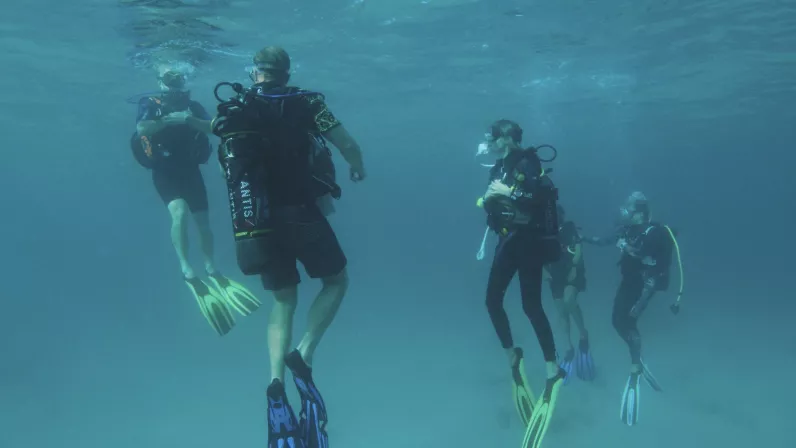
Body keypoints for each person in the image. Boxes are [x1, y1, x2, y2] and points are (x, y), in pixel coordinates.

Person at [211, 46, 366, 448]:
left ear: (254, 72)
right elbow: (345, 142)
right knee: (336, 281)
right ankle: (304, 352)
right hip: (301, 214)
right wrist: (357, 164)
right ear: (286, 71)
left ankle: (276, 380)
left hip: (256, 224)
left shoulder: (238, 106)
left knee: (283, 303)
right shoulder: (308, 102)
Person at [132, 68, 261, 337]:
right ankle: (186, 268)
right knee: (178, 213)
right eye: (170, 81)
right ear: (160, 82)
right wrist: (168, 120)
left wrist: (188, 118)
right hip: (164, 172)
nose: (175, 86)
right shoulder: (150, 104)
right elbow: (142, 128)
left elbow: (213, 127)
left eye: (178, 80)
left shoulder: (192, 106)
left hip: (190, 170)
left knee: (203, 221)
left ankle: (211, 267)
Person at [476, 119, 565, 448]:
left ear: (505, 138)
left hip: (529, 243)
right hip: (507, 241)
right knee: (491, 301)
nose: (488, 141)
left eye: (492, 136)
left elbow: (538, 197)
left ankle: (553, 369)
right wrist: (490, 199)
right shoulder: (498, 166)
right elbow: (491, 208)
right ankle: (512, 355)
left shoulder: (529, 161)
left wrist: (507, 191)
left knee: (531, 305)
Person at [583, 191, 683, 426]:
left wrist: (626, 246)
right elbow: (604, 241)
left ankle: (635, 367)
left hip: (643, 285)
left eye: (628, 208)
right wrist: (581, 237)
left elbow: (643, 253)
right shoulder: (627, 229)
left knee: (627, 321)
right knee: (617, 321)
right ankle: (636, 355)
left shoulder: (654, 232)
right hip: (629, 282)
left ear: (639, 212)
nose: (623, 211)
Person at [543, 205, 596, 383]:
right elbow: (538, 254)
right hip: (555, 274)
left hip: (572, 271)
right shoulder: (543, 232)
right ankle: (569, 347)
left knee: (569, 300)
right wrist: (544, 272)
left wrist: (574, 267)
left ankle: (583, 333)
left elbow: (578, 249)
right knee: (561, 311)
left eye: (558, 215)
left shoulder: (569, 228)